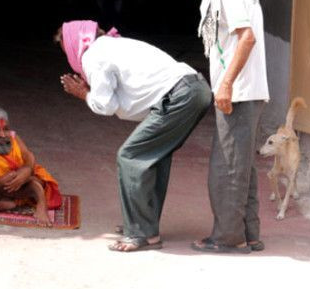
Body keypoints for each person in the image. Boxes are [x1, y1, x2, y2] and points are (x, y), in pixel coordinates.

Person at [56, 20, 212, 252]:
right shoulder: (114, 45)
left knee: (130, 156)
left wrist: (83, 94)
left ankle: (141, 234)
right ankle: (144, 226)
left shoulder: (92, 56)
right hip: (195, 89)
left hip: (180, 96)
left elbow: (106, 105)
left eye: (65, 48)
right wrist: (90, 91)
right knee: (154, 156)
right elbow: (128, 101)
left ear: (73, 45)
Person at [181, 0, 269, 254]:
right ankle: (248, 233)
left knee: (228, 165)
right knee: (241, 164)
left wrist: (227, 84)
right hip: (242, 90)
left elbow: (246, 37)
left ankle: (228, 237)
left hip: (240, 92)